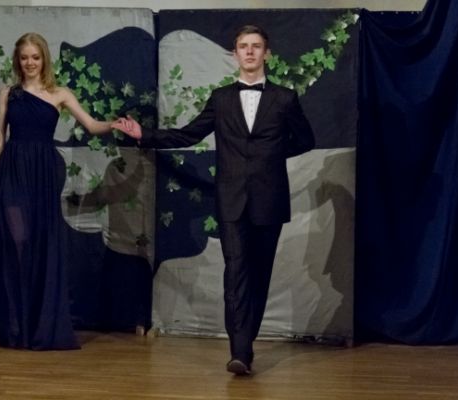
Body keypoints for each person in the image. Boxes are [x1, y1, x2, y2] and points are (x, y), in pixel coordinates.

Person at [113, 25, 315, 374]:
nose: (249, 52)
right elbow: (189, 134)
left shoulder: (284, 98)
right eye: (243, 46)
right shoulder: (221, 99)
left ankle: (246, 343)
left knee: (259, 275)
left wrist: (270, 156)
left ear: (266, 54)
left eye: (256, 46)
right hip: (231, 198)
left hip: (269, 199)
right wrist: (144, 134)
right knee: (235, 271)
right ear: (234, 54)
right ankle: (240, 352)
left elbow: (306, 140)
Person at [0, 32, 112, 350]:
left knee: (40, 245)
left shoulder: (59, 94)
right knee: (18, 244)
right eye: (24, 57)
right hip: (13, 171)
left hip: (43, 173)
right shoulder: (8, 93)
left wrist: (115, 124)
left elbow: (92, 125)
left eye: (35, 57)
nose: (30, 63)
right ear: (17, 60)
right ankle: (18, 327)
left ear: (43, 59)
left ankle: (40, 326)